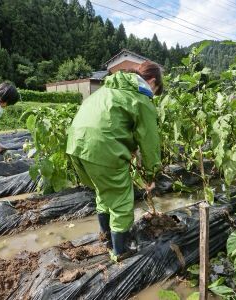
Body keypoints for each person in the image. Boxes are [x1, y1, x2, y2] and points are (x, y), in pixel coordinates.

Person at [66, 61, 163, 260]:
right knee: (121, 199)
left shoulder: (109, 88)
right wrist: (152, 174)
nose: (154, 95)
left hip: (76, 144)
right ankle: (120, 251)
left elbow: (114, 122)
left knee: (104, 190)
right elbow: (150, 143)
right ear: (152, 82)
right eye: (156, 91)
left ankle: (105, 236)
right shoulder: (141, 97)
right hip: (101, 147)